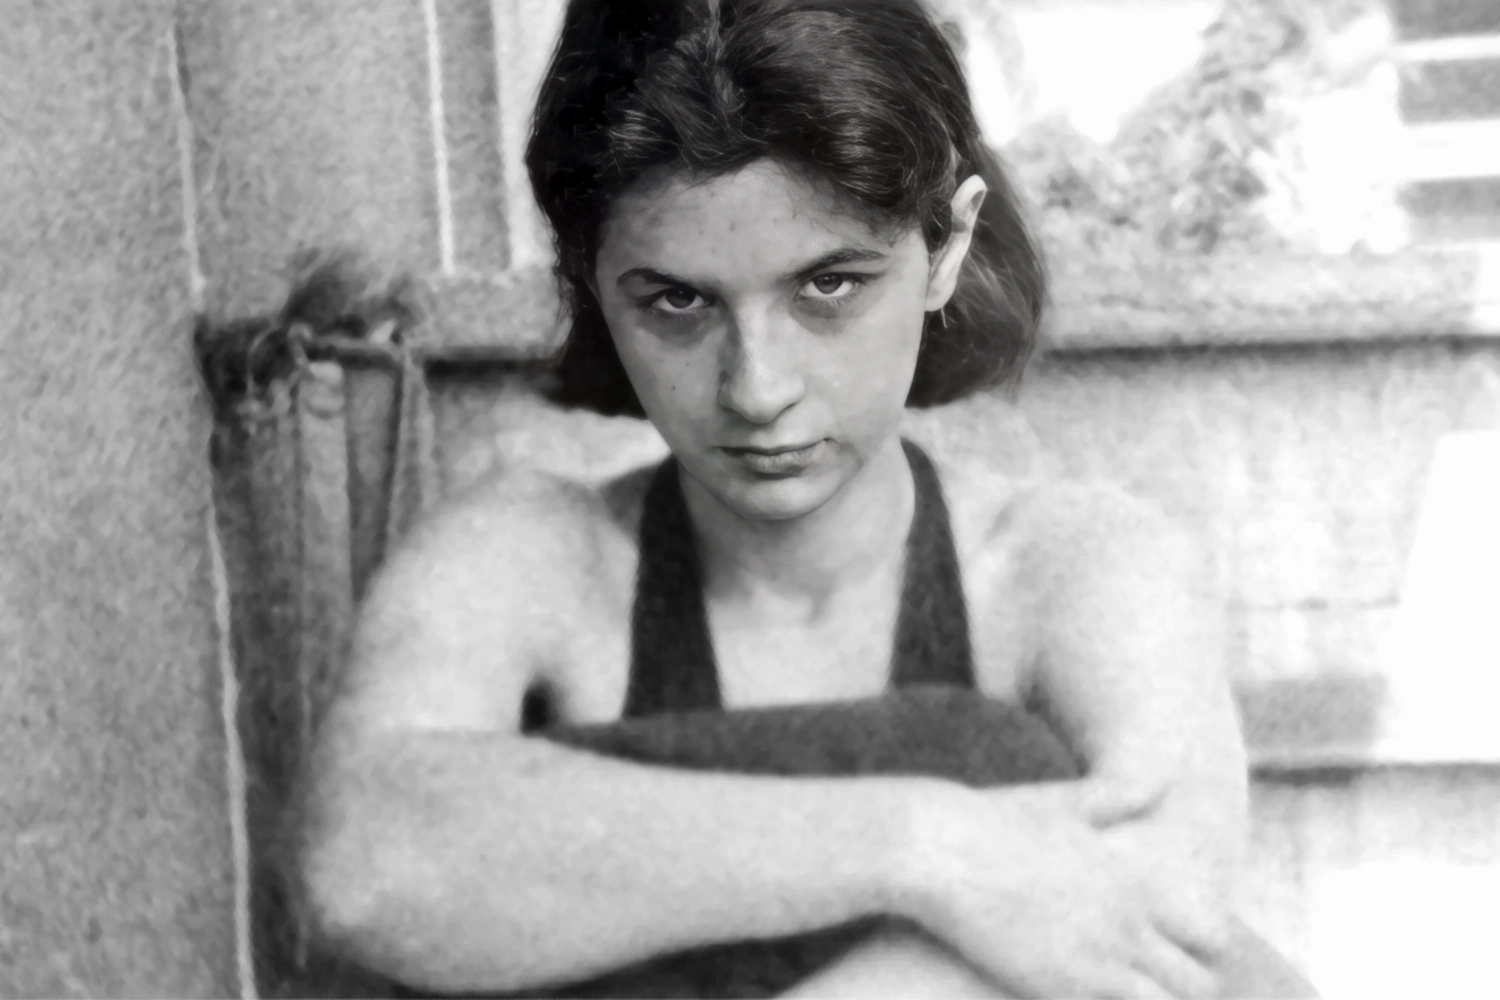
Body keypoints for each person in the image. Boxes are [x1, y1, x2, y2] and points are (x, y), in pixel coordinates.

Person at [296, 1, 1262, 997]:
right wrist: (930, 843)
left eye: (829, 286)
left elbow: (1167, 918)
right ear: (591, 281)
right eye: (678, 300)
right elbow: (367, 864)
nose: (757, 389)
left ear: (947, 244)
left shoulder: (1073, 568)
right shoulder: (531, 555)